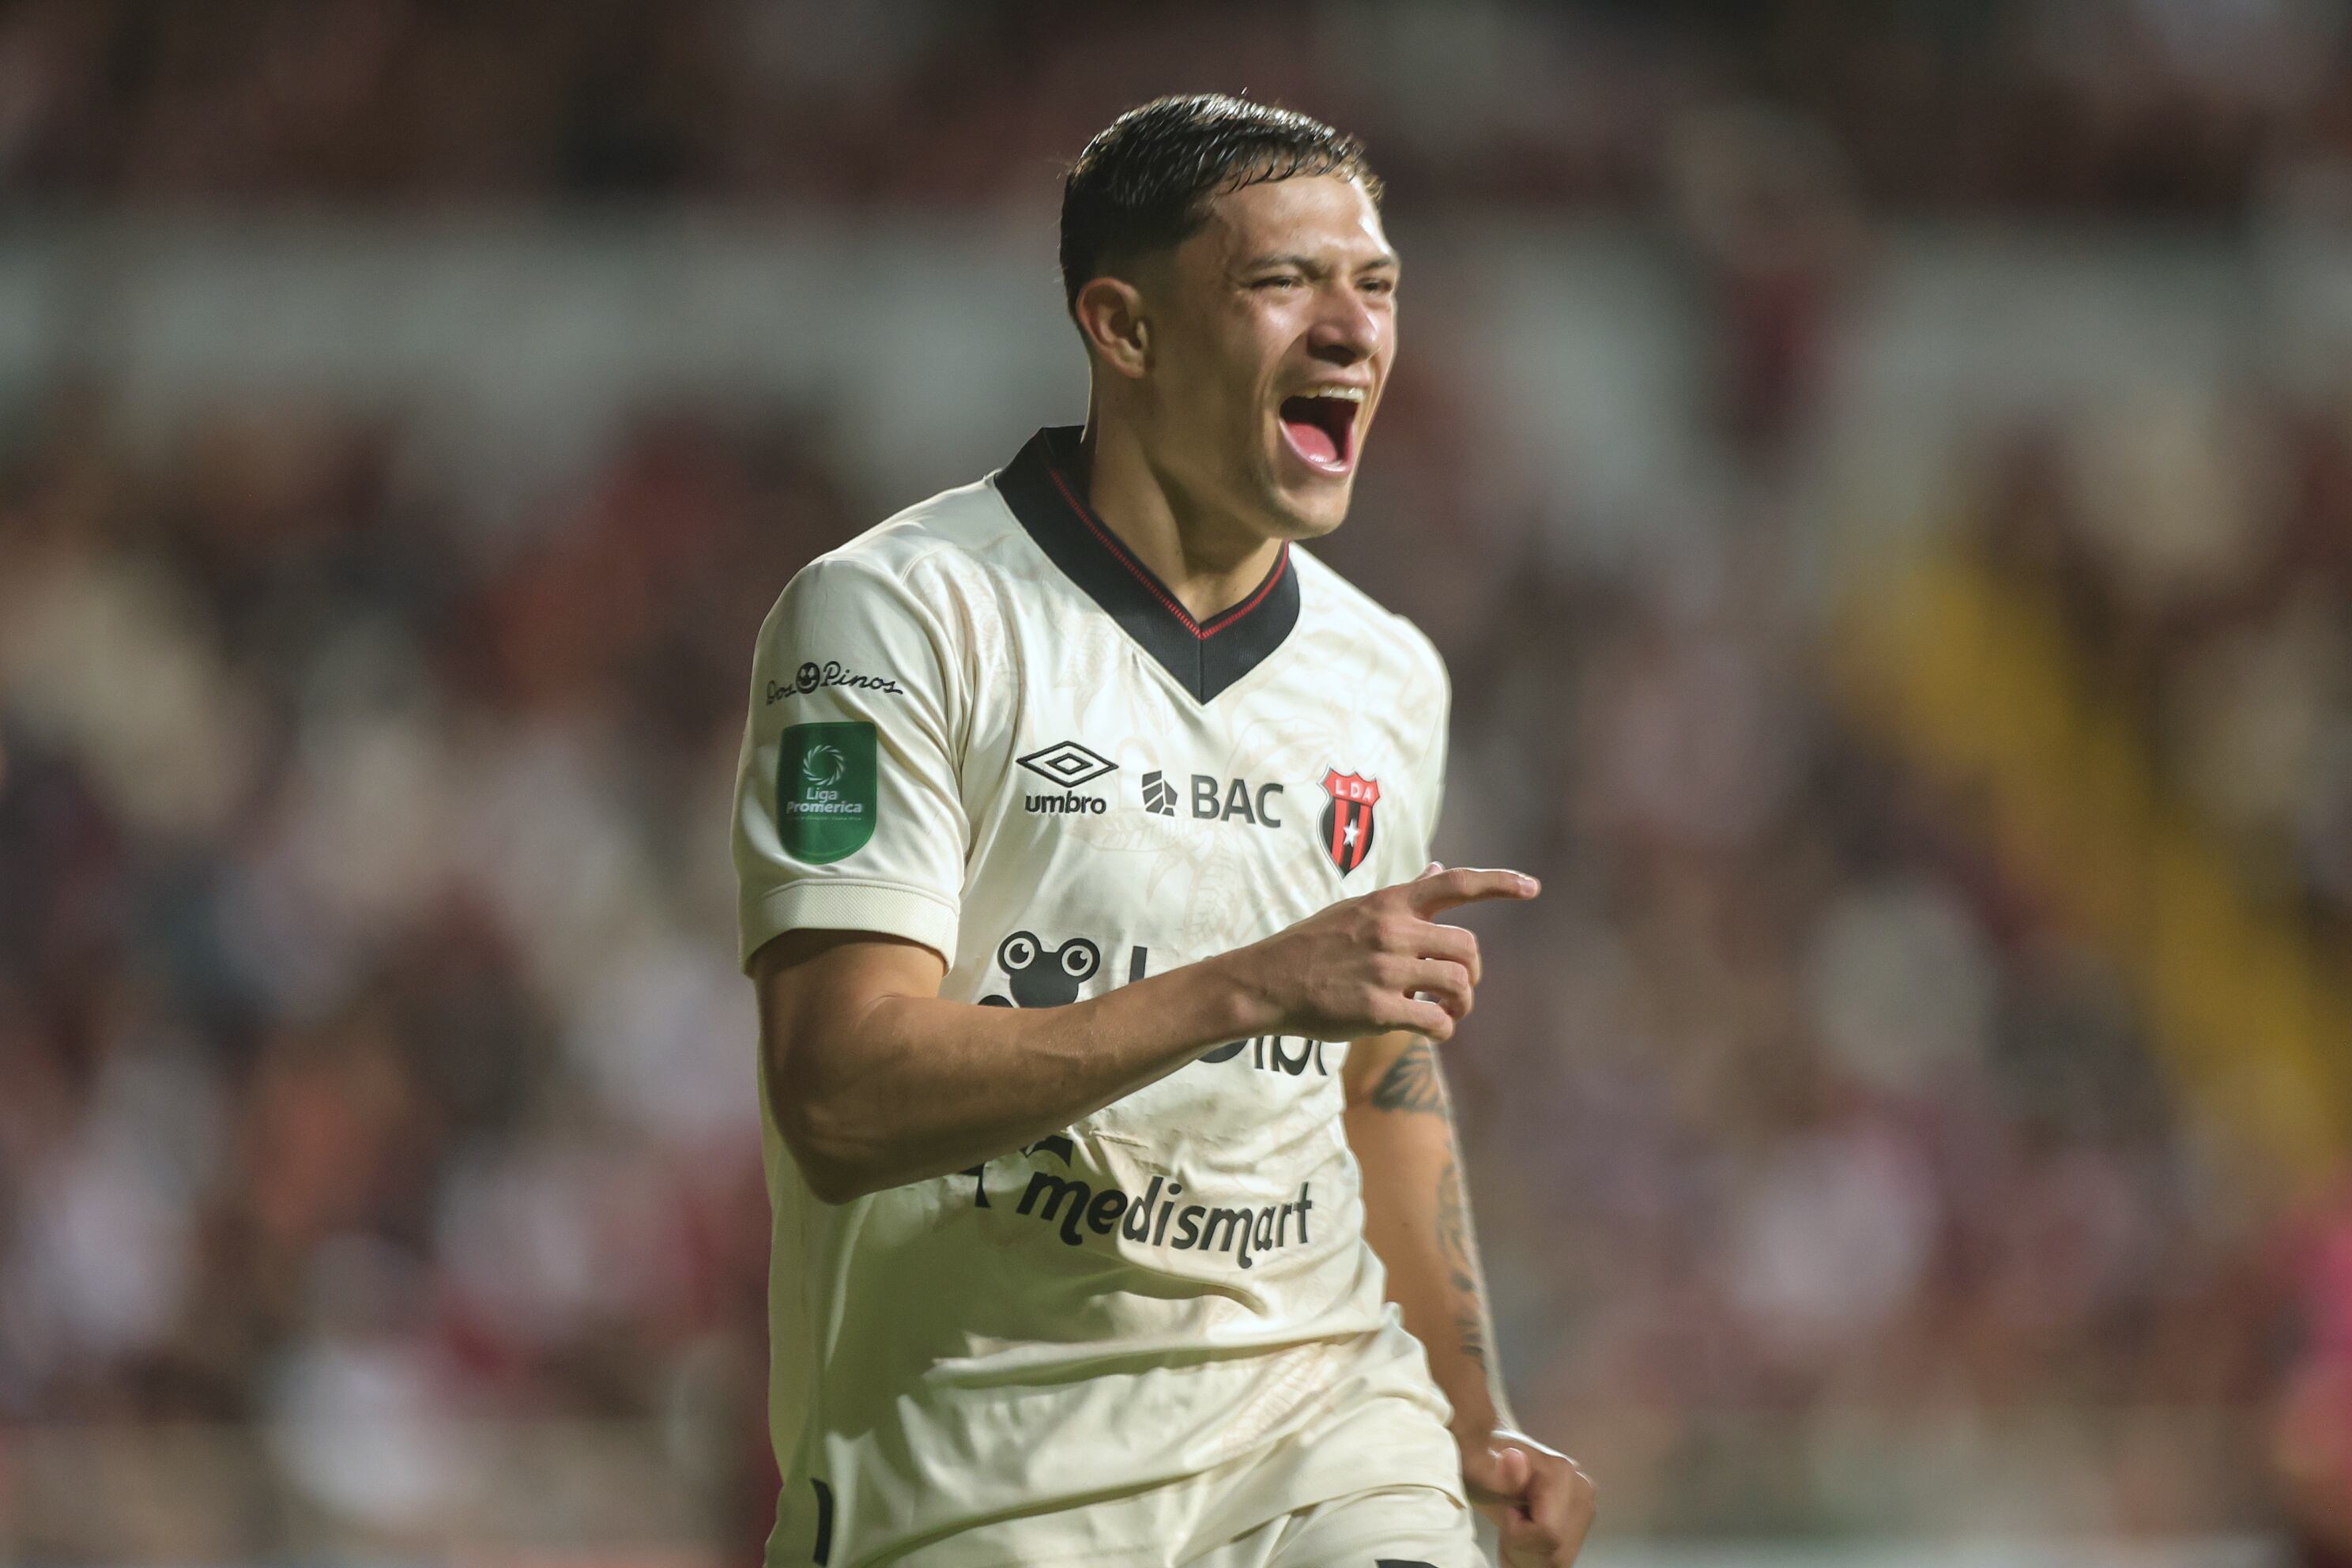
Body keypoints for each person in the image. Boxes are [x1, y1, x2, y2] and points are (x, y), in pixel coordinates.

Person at [733, 92, 1594, 1568]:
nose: (1353, 329)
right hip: (985, 1463)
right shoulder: (895, 616)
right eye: (1285, 282)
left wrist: (1475, 1417)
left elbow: (1377, 1070)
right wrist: (1249, 987)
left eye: (1376, 285)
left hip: (1322, 1426)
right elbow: (841, 1097)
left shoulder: (1387, 674)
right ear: (1123, 329)